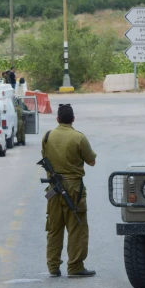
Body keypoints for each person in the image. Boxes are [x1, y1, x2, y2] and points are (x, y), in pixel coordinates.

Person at [41, 103, 97, 278]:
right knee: (77, 228)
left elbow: (44, 156)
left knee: (54, 227)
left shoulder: (48, 136)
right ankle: (75, 266)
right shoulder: (79, 138)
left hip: (53, 188)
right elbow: (92, 161)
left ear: (57, 119)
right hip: (73, 187)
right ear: (73, 119)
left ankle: (53, 267)